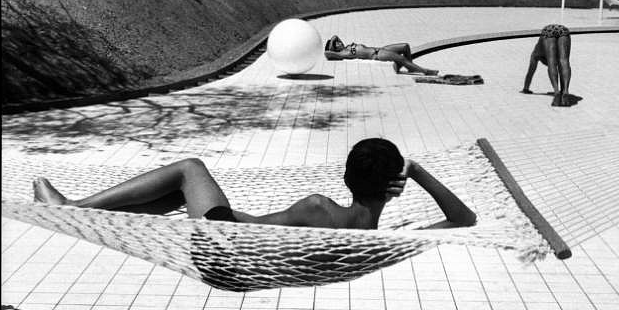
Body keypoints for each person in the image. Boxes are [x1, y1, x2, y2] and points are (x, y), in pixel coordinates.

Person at [32, 138, 476, 230]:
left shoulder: (321, 207)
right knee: (171, 200)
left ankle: (72, 209)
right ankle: (85, 217)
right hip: (241, 255)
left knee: (189, 168)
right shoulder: (378, 240)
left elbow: (252, 231)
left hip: (228, 248)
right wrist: (415, 172)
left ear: (347, 178)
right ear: (392, 186)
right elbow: (463, 219)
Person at [324, 35, 438, 75]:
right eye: (336, 43)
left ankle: (411, 67)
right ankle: (425, 71)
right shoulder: (342, 54)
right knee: (401, 58)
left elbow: (335, 36)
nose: (339, 42)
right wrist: (332, 47)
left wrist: (333, 41)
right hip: (377, 55)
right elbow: (327, 53)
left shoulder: (347, 47)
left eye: (338, 41)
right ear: (334, 48)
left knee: (405, 46)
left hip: (380, 49)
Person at [521, 24, 572, 107]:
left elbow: (530, 73)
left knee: (551, 61)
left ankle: (556, 92)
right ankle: (565, 91)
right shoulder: (540, 53)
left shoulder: (535, 55)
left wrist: (525, 88)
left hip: (548, 32)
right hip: (563, 31)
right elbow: (561, 65)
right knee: (564, 61)